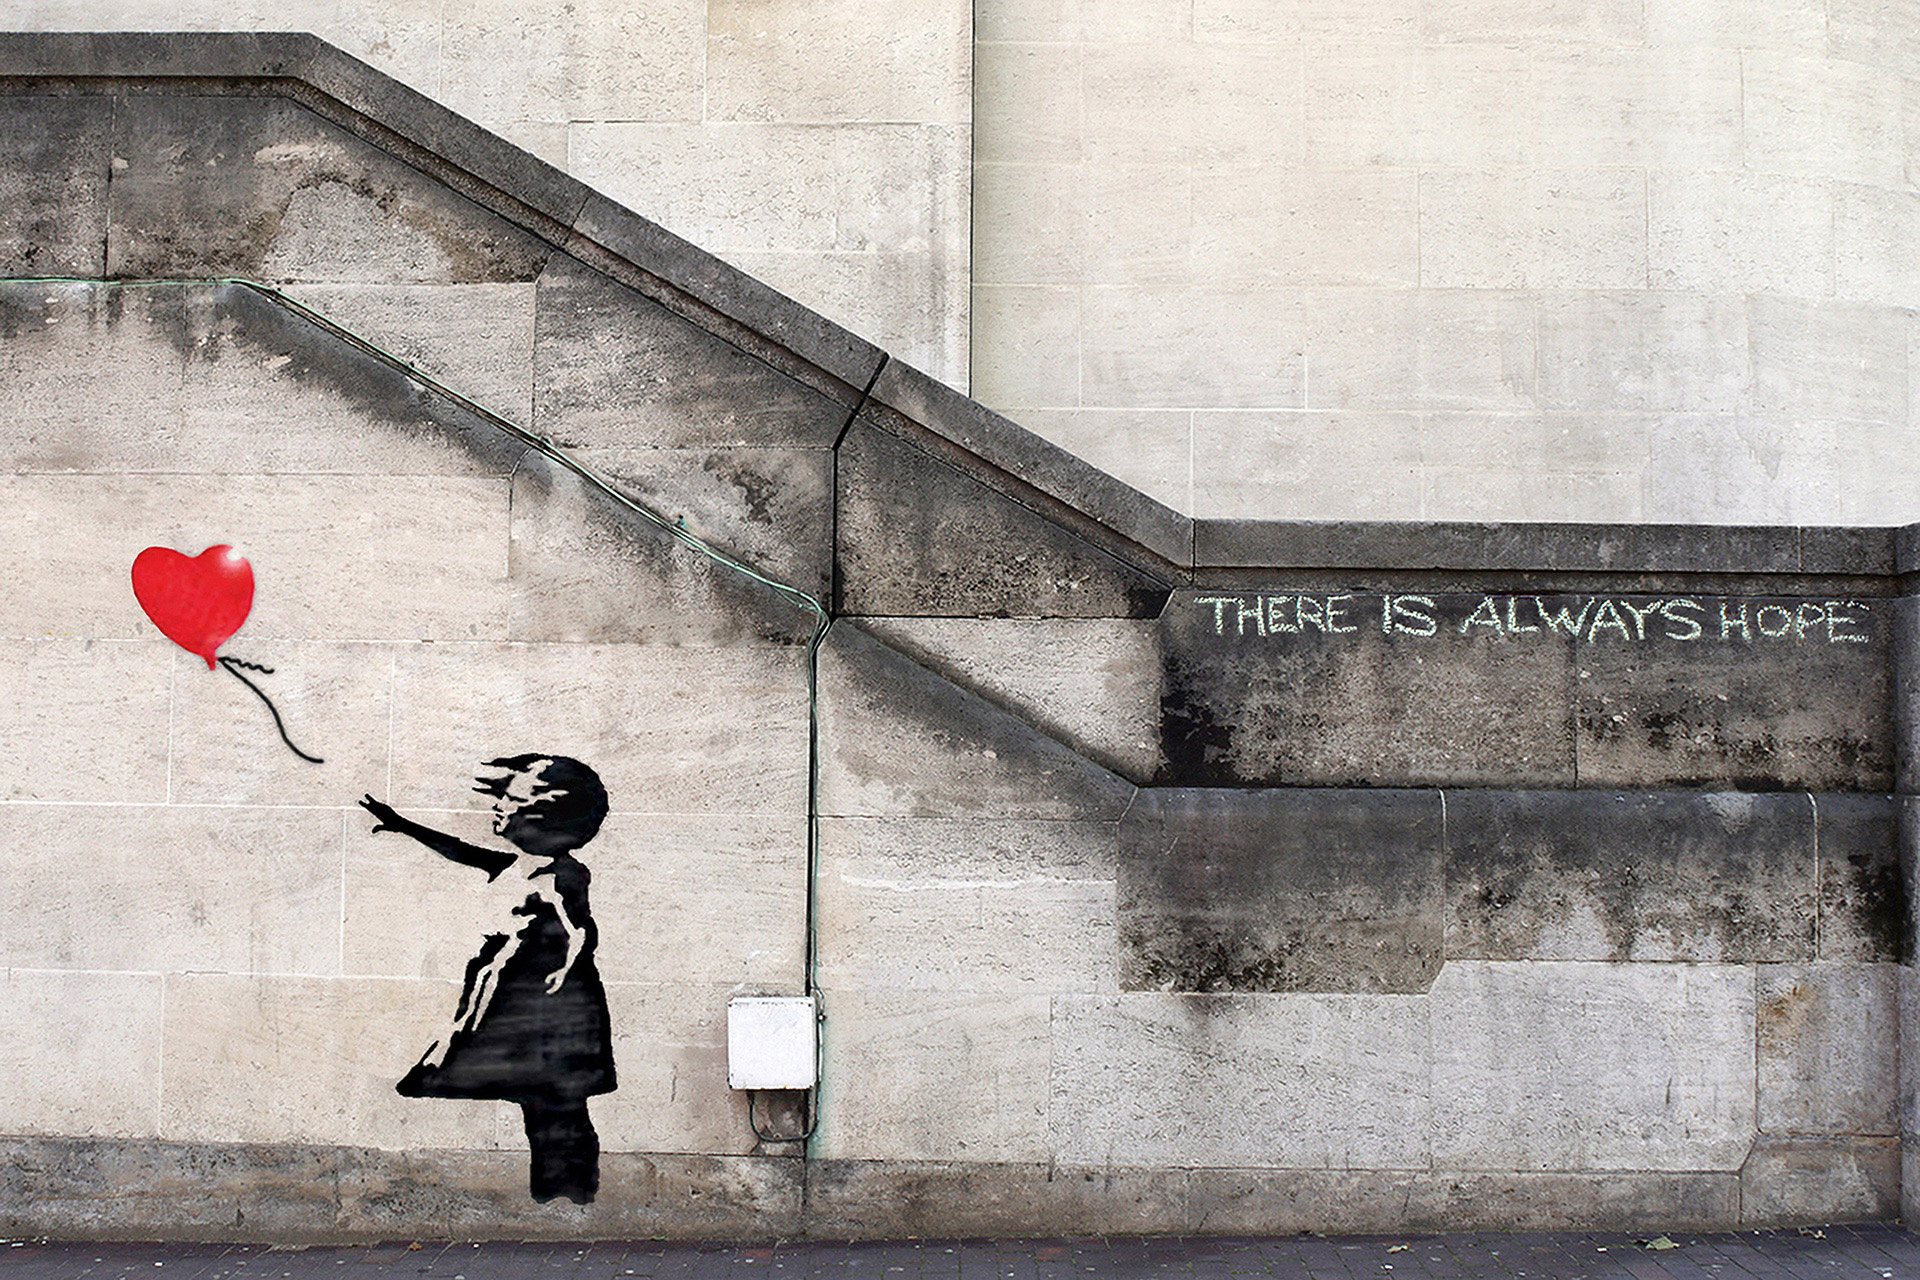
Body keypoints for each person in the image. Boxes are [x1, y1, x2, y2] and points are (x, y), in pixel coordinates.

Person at [359, 755, 616, 1205]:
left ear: (546, 812)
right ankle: (561, 1192)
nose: (497, 807)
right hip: (518, 995)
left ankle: (570, 1192)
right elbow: (462, 851)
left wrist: (566, 967)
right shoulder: (518, 866)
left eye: (511, 799)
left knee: (557, 1105)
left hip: (551, 1007)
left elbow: (581, 930)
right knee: (544, 1103)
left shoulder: (563, 874)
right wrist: (403, 825)